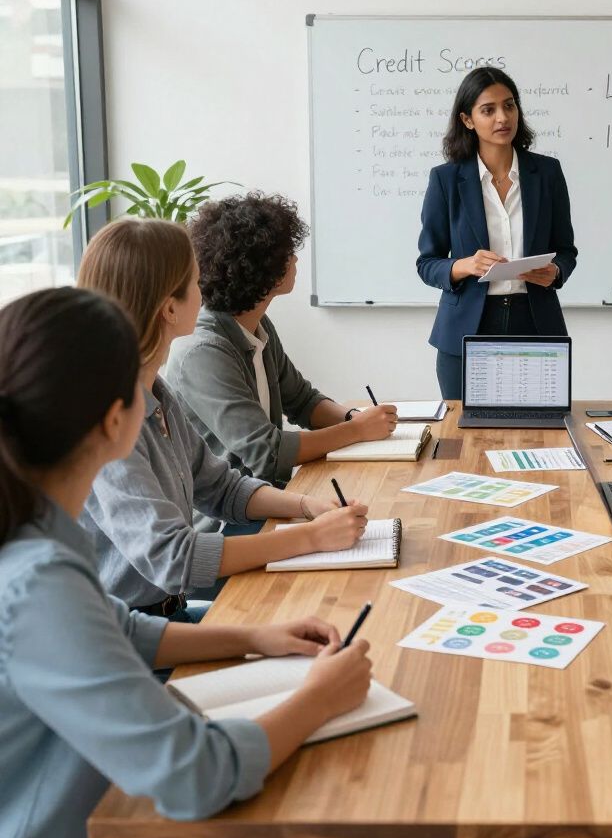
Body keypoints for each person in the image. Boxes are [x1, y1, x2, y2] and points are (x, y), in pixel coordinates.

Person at [0, 286, 375, 838]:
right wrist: (320, 699)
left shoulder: (37, 526)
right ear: (113, 419)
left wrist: (254, 634)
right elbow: (198, 773)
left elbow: (117, 627)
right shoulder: (38, 578)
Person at [76, 219, 370, 620]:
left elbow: (221, 487)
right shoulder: (106, 422)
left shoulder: (156, 393)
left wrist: (306, 506)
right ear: (169, 307)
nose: (206, 292)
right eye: (196, 283)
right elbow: (174, 558)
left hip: (165, 616)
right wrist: (312, 536)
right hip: (129, 638)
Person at [166, 192, 398, 490]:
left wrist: (356, 418)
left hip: (270, 494)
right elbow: (268, 454)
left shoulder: (257, 324)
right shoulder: (202, 351)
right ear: (267, 272)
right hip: (232, 519)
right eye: (288, 252)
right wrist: (357, 430)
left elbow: (302, 401)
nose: (296, 258)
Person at [416, 66, 578, 399]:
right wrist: (465, 266)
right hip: (466, 330)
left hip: (534, 323)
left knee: (537, 434)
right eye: (488, 110)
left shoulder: (546, 173)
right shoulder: (446, 180)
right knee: (463, 439)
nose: (502, 117)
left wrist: (556, 271)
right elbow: (428, 262)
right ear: (467, 120)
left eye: (509, 105)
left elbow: (566, 250)